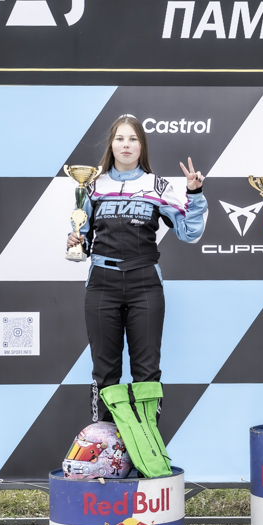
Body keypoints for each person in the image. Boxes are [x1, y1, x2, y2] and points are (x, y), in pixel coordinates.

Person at [67, 115, 207, 423]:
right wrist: (75, 240)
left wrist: (194, 194)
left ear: (142, 146)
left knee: (146, 372)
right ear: (111, 145)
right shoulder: (92, 186)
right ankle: (106, 444)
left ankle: (146, 442)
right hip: (102, 284)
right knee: (105, 372)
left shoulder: (158, 186)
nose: (126, 145)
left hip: (145, 283)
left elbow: (190, 233)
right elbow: (82, 238)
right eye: (120, 138)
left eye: (133, 139)